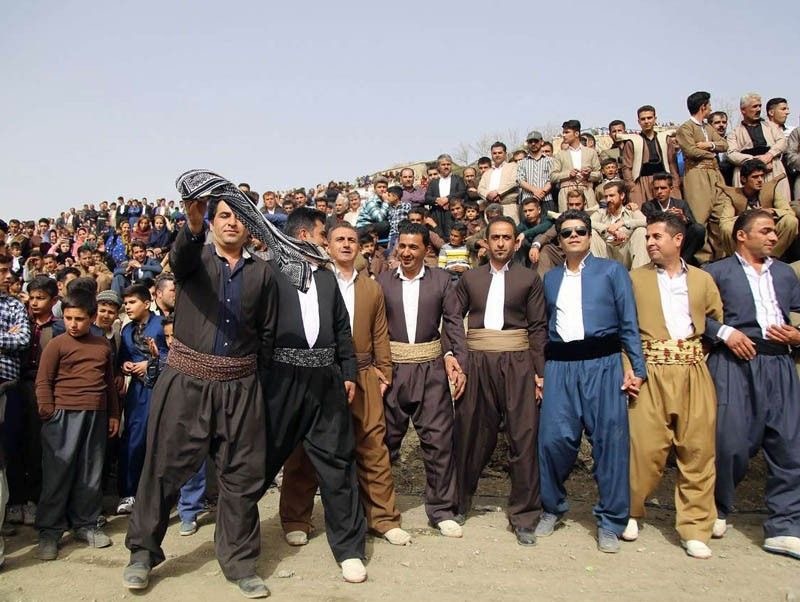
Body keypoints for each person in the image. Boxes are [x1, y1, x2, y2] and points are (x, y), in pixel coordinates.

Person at [124, 174, 279, 598]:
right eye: (224, 215)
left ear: (251, 225)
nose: (232, 223)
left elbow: (266, 335)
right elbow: (181, 254)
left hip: (241, 386)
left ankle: (240, 562)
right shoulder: (194, 263)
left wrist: (256, 385)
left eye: (240, 216)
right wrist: (191, 226)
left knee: (242, 478)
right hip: (187, 382)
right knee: (163, 468)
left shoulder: (264, 274)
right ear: (212, 221)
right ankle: (142, 552)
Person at [279, 222, 411, 547]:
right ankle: (297, 517)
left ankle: (382, 518)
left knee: (373, 447)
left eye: (352, 239)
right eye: (340, 238)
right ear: (328, 245)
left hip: (365, 375)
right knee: (305, 448)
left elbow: (381, 333)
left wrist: (384, 372)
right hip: (321, 374)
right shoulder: (313, 280)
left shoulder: (371, 287)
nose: (347, 244)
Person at [263, 207, 368, 584]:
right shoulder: (270, 276)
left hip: (326, 381)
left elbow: (342, 331)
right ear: (305, 236)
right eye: (325, 234)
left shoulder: (326, 281)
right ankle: (239, 542)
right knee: (260, 461)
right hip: (281, 382)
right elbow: (260, 335)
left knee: (338, 465)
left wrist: (349, 373)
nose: (328, 241)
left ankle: (351, 550)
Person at [536, 210, 646, 553]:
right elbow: (541, 328)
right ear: (559, 238)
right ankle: (552, 508)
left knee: (610, 443)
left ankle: (611, 520)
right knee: (553, 440)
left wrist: (637, 368)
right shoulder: (550, 279)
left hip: (603, 365)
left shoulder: (612, 271)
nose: (573, 236)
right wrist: (540, 371)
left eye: (580, 230)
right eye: (566, 232)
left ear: (589, 235)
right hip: (561, 368)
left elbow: (629, 321)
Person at [624, 213, 723, 559]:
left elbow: (714, 321)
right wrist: (630, 369)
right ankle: (631, 510)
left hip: (693, 371)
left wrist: (696, 356)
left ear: (677, 239)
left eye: (655, 236)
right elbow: (626, 331)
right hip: (649, 370)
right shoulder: (634, 280)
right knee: (644, 447)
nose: (649, 242)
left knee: (697, 449)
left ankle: (695, 526)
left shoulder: (702, 279)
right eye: (648, 237)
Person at [704, 209, 800, 561]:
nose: (774, 238)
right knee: (730, 442)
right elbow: (693, 313)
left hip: (780, 364)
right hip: (734, 363)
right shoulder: (715, 273)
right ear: (742, 236)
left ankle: (785, 526)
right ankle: (718, 507)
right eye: (766, 231)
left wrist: (798, 334)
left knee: (790, 445)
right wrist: (724, 332)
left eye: (775, 232)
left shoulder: (786, 274)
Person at [453, 216, 547, 546]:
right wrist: (456, 356)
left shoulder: (528, 279)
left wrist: (540, 372)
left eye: (507, 237)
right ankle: (460, 502)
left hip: (518, 361)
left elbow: (537, 327)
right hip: (477, 361)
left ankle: (524, 516)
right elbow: (452, 317)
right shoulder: (471, 279)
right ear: (486, 241)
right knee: (470, 433)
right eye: (495, 237)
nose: (501, 243)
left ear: (516, 242)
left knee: (523, 436)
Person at [377, 221, 467, 539]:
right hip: (392, 372)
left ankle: (442, 510)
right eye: (402, 246)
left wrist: (458, 360)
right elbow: (374, 329)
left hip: (431, 371)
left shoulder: (442, 280)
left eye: (413, 246)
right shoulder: (382, 282)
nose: (406, 252)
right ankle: (377, 510)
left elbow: (454, 324)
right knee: (384, 442)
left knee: (439, 442)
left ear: (425, 250)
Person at [34, 289, 120, 560]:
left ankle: (86, 523)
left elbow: (108, 385)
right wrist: (48, 411)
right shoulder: (56, 344)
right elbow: (43, 381)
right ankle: (50, 530)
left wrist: (114, 415)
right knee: (58, 472)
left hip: (95, 414)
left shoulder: (102, 346)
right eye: (69, 318)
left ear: (92, 318)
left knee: (90, 471)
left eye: (80, 319)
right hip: (63, 415)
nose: (73, 324)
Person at [115, 284, 167, 516]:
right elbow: (123, 358)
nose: (127, 307)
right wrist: (125, 365)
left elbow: (174, 352)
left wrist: (151, 362)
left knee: (161, 440)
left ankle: (161, 493)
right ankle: (129, 492)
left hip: (162, 387)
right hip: (137, 391)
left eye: (132, 302)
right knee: (134, 439)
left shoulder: (162, 325)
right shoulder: (126, 331)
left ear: (147, 303)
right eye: (125, 303)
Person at [711, 159, 797, 258]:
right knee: (727, 229)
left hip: (768, 229)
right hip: (747, 232)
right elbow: (725, 222)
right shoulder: (733, 195)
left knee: (791, 221)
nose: (760, 180)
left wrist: (771, 211)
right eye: (755, 177)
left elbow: (789, 212)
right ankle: (741, 259)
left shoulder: (770, 190)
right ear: (743, 179)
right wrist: (748, 216)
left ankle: (771, 257)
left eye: (762, 176)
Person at [676, 91, 729, 231]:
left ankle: (720, 252)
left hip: (715, 173)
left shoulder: (708, 127)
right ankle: (702, 253)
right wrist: (712, 154)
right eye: (709, 105)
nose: (711, 108)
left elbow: (724, 145)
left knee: (721, 214)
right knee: (700, 217)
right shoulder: (685, 128)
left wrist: (709, 145)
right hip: (696, 174)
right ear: (703, 107)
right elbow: (691, 151)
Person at [727, 93, 791, 202]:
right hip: (748, 171)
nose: (758, 109)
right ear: (743, 110)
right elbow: (731, 154)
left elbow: (782, 142)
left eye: (760, 106)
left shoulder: (770, 126)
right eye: (754, 106)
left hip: (772, 167)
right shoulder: (734, 133)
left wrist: (769, 155)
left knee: (780, 203)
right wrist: (755, 161)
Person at [619, 105, 682, 205]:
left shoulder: (665, 139)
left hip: (663, 179)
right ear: (639, 121)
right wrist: (631, 186)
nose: (646, 121)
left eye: (649, 118)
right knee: (643, 214)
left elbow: (672, 163)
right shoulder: (632, 142)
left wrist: (675, 182)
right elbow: (626, 167)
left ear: (655, 119)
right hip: (642, 183)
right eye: (643, 119)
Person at [641, 173, 706, 265]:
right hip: (659, 239)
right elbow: (650, 219)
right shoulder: (648, 205)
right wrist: (668, 214)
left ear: (671, 189)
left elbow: (693, 223)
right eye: (656, 188)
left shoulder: (681, 204)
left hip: (680, 240)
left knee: (698, 229)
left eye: (663, 188)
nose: (659, 192)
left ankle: (681, 261)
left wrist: (683, 218)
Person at [590, 181, 649, 269]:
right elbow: (586, 222)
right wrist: (608, 229)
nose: (608, 199)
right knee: (591, 232)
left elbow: (647, 222)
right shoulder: (601, 213)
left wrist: (623, 223)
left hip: (626, 255)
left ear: (622, 196)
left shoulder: (631, 211)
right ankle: (599, 274)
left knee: (641, 231)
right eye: (606, 196)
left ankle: (640, 276)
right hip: (606, 255)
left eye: (612, 195)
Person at [550, 120, 601, 212]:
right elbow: (553, 177)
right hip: (566, 191)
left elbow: (599, 175)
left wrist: (589, 175)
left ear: (576, 133)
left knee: (590, 221)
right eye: (563, 132)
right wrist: (568, 174)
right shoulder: (560, 155)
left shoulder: (591, 152)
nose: (564, 135)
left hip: (586, 190)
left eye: (567, 132)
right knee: (567, 222)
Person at [425, 154, 466, 238]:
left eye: (448, 164)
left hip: (452, 213)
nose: (446, 166)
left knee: (450, 235)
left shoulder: (457, 179)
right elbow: (427, 197)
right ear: (439, 167)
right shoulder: (434, 182)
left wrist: (447, 199)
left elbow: (462, 192)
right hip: (437, 213)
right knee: (437, 236)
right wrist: (437, 200)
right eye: (443, 165)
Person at [478, 142, 521, 222]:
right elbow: (480, 188)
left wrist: (498, 193)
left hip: (508, 206)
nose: (497, 155)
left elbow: (514, 181)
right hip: (490, 208)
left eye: (500, 153)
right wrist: (488, 195)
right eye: (494, 153)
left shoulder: (513, 166)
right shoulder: (487, 172)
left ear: (505, 154)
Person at [517, 130, 555, 214]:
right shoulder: (522, 162)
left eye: (536, 141)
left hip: (546, 199)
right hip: (527, 200)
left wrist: (543, 192)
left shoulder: (550, 161)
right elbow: (520, 180)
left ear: (541, 142)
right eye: (530, 142)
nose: (533, 144)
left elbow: (552, 178)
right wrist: (535, 191)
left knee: (549, 225)